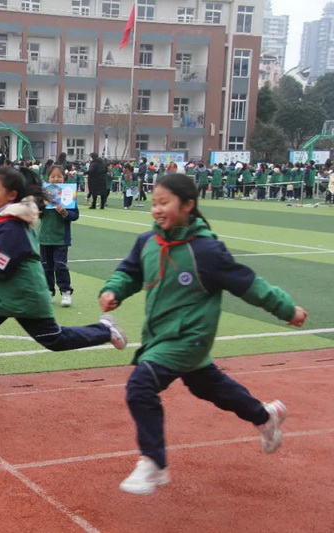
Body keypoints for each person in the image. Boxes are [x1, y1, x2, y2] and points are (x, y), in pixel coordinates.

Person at [98, 173, 308, 495]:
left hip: (190, 337)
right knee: (205, 385)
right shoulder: (148, 242)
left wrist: (287, 309)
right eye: (154, 203)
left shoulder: (206, 251)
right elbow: (130, 271)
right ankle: (265, 415)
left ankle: (153, 462)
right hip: (161, 334)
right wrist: (114, 290)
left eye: (164, 203)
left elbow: (249, 285)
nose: (157, 209)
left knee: (140, 386)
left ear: (187, 205)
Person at [0, 167, 127, 405]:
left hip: (26, 296)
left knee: (55, 340)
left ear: (12, 195)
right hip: (0, 297)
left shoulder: (12, 225)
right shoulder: (4, 218)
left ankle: (105, 330)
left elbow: (2, 266)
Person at [40, 165, 79, 307]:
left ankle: (66, 292)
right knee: (46, 267)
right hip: (45, 237)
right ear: (47, 178)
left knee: (60, 266)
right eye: (53, 176)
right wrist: (40, 208)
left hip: (61, 238)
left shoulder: (68, 195)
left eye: (59, 176)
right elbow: (36, 213)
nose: (56, 179)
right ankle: (48, 292)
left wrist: (65, 213)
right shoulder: (43, 195)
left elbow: (75, 215)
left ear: (64, 178)